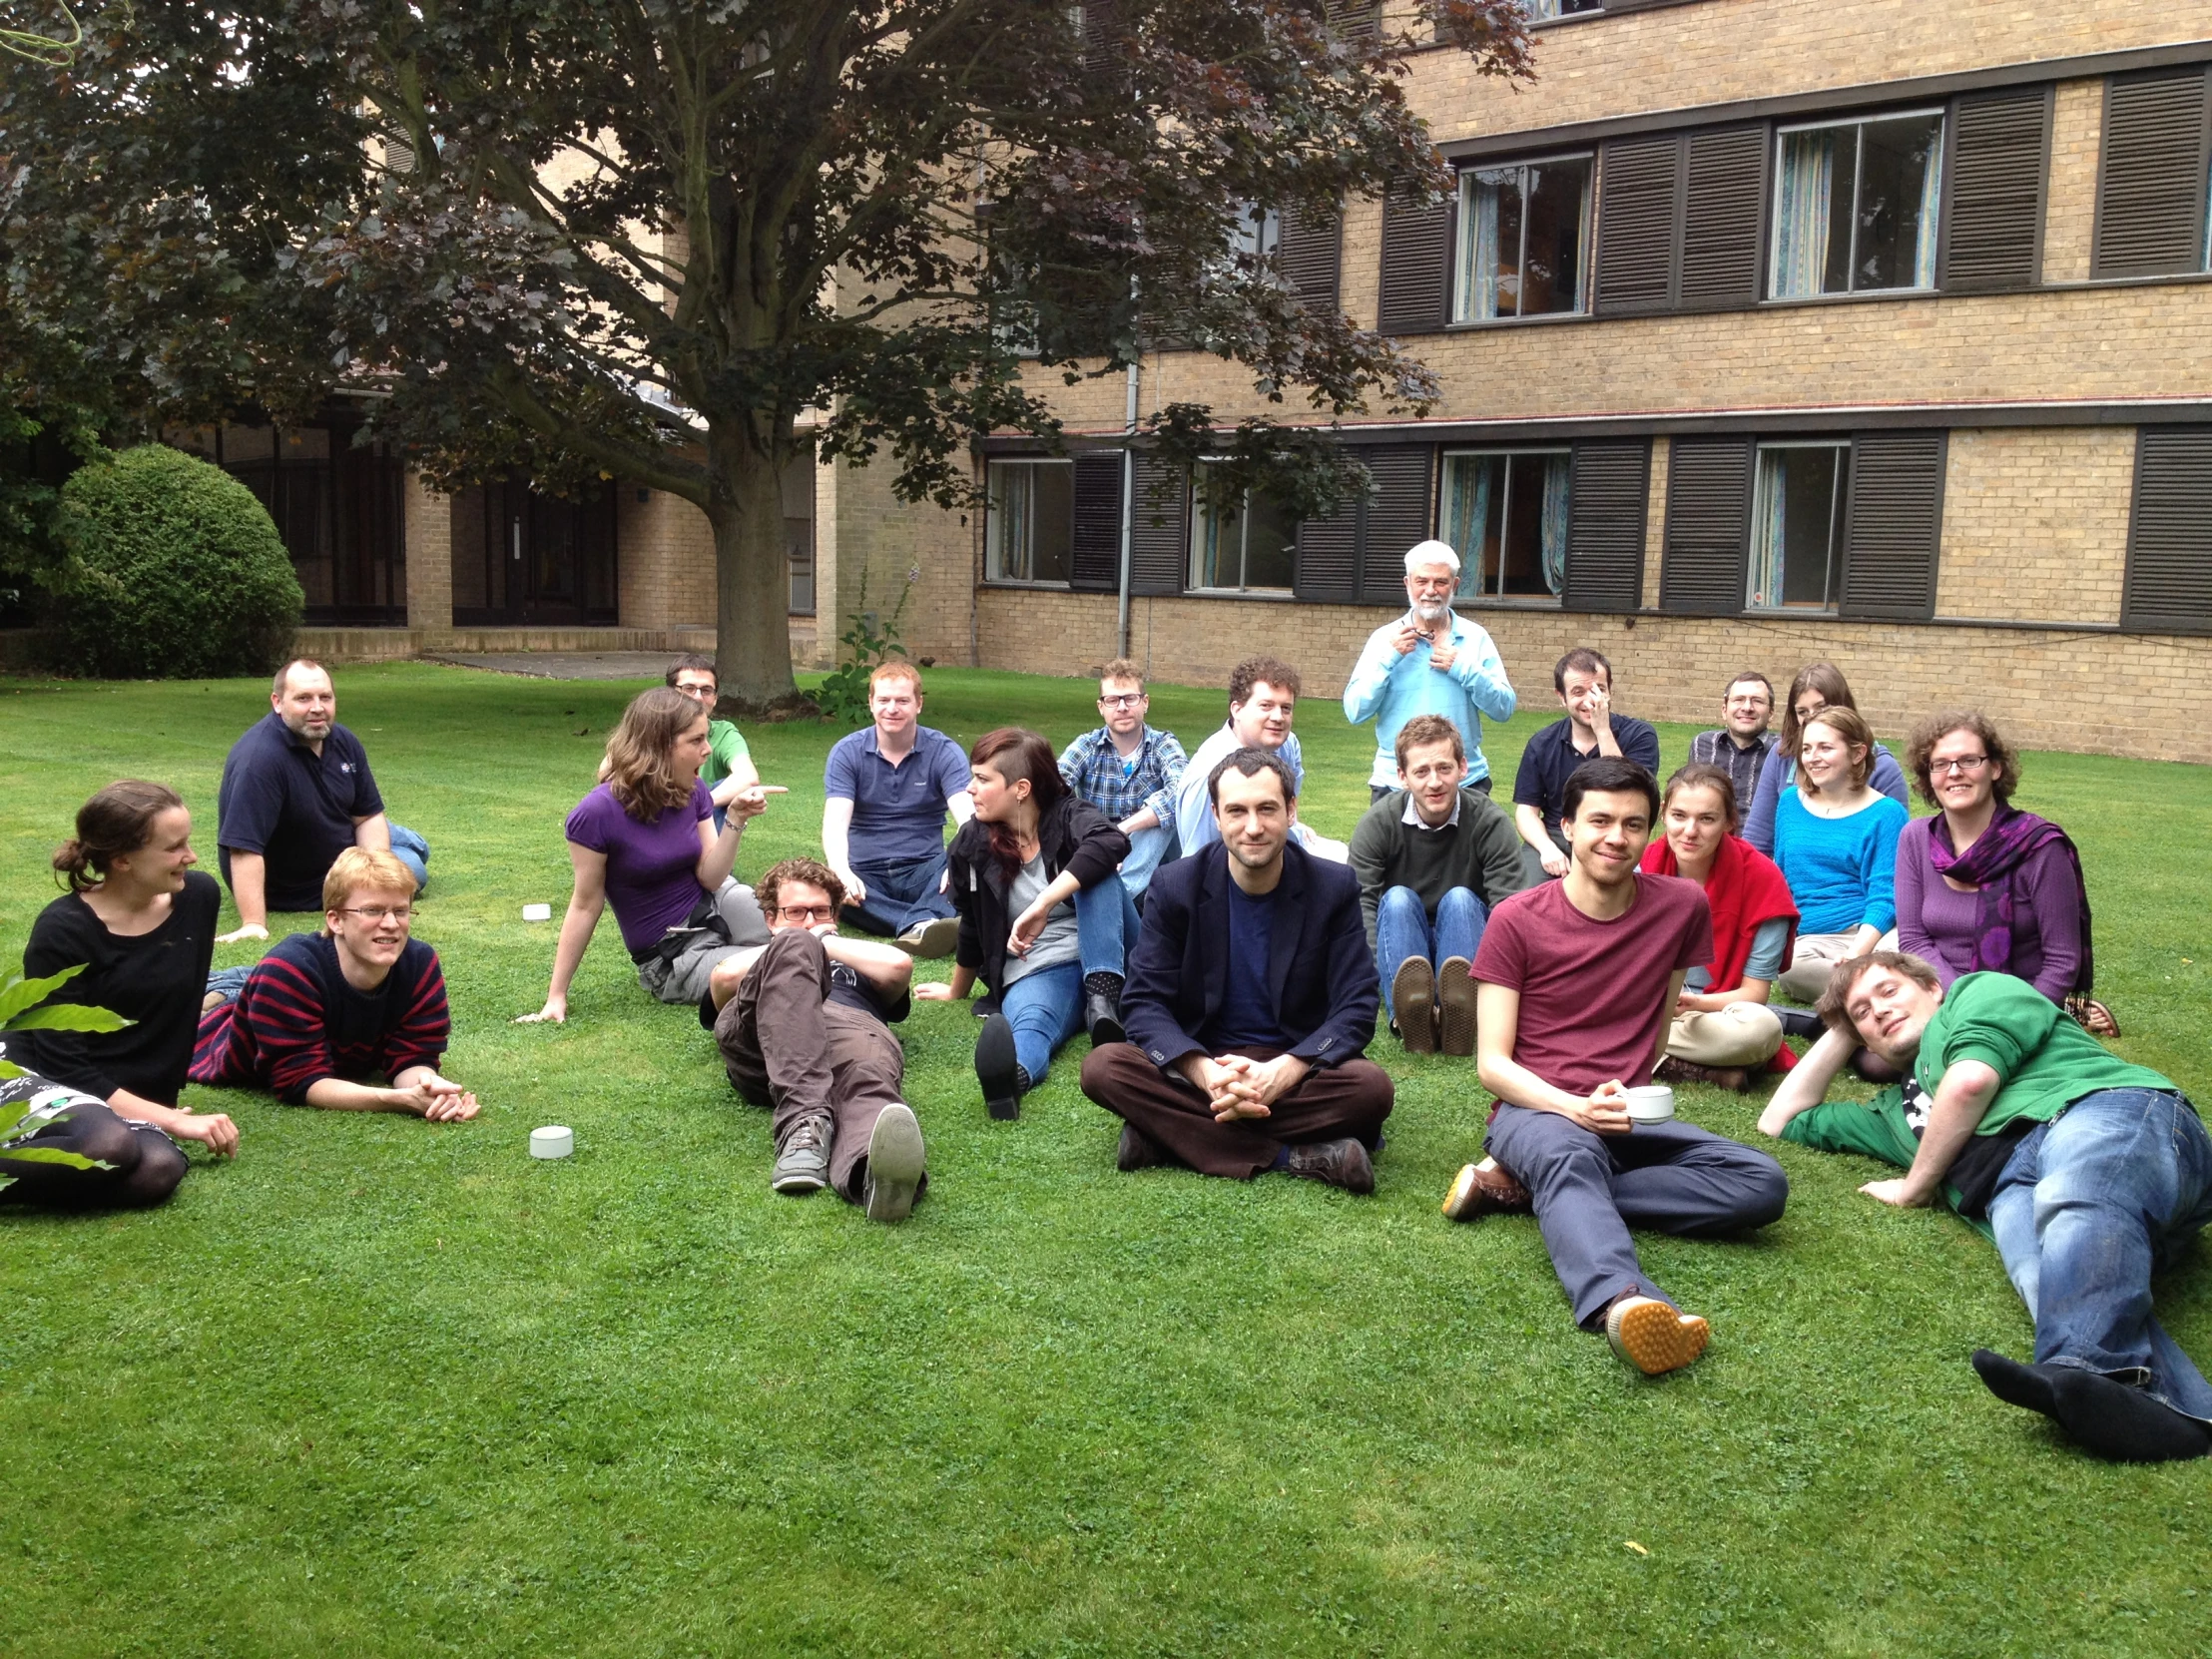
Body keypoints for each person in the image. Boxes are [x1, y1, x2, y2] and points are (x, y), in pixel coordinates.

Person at [1761, 952, 2212, 1463]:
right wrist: (1845, 1028)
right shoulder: (1891, 1114)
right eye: (1864, 1012)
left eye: (1888, 992)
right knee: (2041, 1272)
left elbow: (1972, 1080)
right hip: (2012, 1187)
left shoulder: (1979, 994)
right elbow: (1779, 1121)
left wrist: (1915, 1186)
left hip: (2102, 1111)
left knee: (2075, 1196)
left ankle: (2081, 1366)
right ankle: (2172, 1414)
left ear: (1932, 987)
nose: (1879, 1011)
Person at [1446, 757, 1789, 1377]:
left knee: (1761, 1183)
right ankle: (1624, 1301)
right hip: (1536, 1109)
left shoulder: (1680, 905)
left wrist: (1631, 1088)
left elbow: (1660, 1021)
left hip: (1627, 1113)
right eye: (1599, 820)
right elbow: (1492, 1065)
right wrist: (1573, 1106)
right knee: (1570, 1157)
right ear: (1566, 827)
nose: (1616, 837)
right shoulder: (1516, 920)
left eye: (1634, 824)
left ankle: (1534, 1193)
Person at [1081, 749, 1393, 1191]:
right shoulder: (1175, 886)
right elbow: (1144, 1002)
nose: (1252, 827)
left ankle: (1167, 1139)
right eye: (1237, 811)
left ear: (1291, 809)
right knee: (1103, 1068)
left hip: (1293, 1060)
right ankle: (1297, 1156)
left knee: (1371, 1088)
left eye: (1267, 808)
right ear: (1216, 815)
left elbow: (1357, 1005)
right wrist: (1206, 1074)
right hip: (1202, 1060)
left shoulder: (1333, 886)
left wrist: (1285, 1071)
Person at [13, 781, 240, 1163]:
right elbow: (63, 1068)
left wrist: (157, 1110)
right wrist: (172, 1120)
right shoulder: (63, 930)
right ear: (122, 860)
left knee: (160, 1167)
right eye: (173, 848)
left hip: (124, 1101)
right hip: (42, 1078)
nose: (192, 857)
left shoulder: (198, 898)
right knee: (110, 1147)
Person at [918, 729, 1135, 1120]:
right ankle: (1011, 1079)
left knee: (1097, 869)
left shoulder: (1070, 815)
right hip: (1041, 965)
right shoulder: (972, 843)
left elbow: (1111, 841)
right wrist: (956, 990)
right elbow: (971, 924)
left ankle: (1103, 998)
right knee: (1031, 1024)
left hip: (1115, 951)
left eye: (983, 779)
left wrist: (1044, 900)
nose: (969, 789)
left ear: (1020, 788)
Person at [522, 687, 775, 1021]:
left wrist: (735, 819)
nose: (707, 750)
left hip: (717, 904)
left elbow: (712, 878)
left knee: (802, 934)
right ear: (660, 746)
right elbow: (585, 904)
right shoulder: (596, 813)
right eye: (696, 740)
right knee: (780, 964)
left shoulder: (693, 788)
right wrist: (556, 996)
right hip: (673, 954)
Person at [705, 857, 926, 1222]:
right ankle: (803, 1121)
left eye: (821, 911)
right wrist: (796, 943)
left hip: (848, 1030)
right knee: (794, 948)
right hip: (764, 1039)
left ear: (835, 916)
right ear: (770, 918)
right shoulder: (761, 956)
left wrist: (824, 942)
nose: (809, 921)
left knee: (868, 1078)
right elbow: (724, 979)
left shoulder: (856, 956)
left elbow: (899, 966)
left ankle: (871, 1173)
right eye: (795, 911)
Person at [189, 848, 479, 1121]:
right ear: (336, 920)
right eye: (373, 911)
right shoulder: (288, 972)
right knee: (178, 997)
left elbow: (412, 1055)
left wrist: (431, 1089)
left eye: (400, 911)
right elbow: (301, 1081)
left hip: (279, 984)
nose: (391, 923)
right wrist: (398, 1100)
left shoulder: (419, 963)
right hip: (224, 1012)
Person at [1895, 710, 2113, 1034]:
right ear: (1929, 777)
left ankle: (2059, 1016)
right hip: (1943, 995)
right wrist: (1964, 1003)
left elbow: (2062, 960)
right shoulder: (1915, 839)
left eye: (1969, 761)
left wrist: (2012, 1021)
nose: (1954, 773)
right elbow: (1913, 941)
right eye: (1940, 764)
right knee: (1875, 1058)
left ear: (1995, 768)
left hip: (2023, 1006)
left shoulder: (2040, 847)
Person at [215, 658, 431, 942]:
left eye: (325, 697)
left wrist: (374, 875)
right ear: (277, 702)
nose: (317, 708)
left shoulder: (342, 740)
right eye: (303, 698)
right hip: (300, 882)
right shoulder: (260, 760)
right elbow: (244, 848)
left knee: (408, 845)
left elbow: (367, 815)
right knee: (414, 865)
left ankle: (403, 844)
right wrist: (253, 922)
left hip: (336, 832)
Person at [1348, 714, 1526, 1055]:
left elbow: (1510, 907)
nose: (1434, 782)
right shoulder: (1378, 822)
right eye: (1421, 772)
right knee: (1397, 899)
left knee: (1460, 899)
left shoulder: (1489, 821)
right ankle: (1409, 1015)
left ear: (1462, 767)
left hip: (1463, 937)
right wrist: (1373, 970)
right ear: (1402, 777)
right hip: (1403, 940)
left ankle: (1460, 1013)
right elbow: (1360, 905)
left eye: (1444, 768)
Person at [1638, 763, 1796, 1091]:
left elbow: (1754, 995)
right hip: (1646, 1004)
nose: (1690, 831)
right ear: (1663, 814)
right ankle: (1691, 1065)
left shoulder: (1762, 881)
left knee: (1761, 1030)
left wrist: (1692, 1004)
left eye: (1707, 819)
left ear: (1729, 821)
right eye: (1679, 816)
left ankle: (1628, 1047)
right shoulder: (1641, 868)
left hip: (1717, 1013)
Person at [1341, 539, 1516, 801]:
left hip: (1465, 781)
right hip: (1396, 783)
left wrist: (1465, 668)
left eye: (1440, 582)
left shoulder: (1475, 638)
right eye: (1422, 581)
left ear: (1455, 585)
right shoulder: (1384, 640)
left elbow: (1504, 709)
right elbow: (1355, 711)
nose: (1430, 591)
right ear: (1407, 584)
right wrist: (1389, 658)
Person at [822, 661, 974, 954]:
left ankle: (911, 917)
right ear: (870, 703)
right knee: (826, 884)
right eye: (884, 700)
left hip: (925, 869)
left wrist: (959, 862)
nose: (892, 708)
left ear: (919, 704)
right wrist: (841, 870)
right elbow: (835, 824)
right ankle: (923, 921)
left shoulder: (944, 751)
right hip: (864, 874)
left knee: (969, 861)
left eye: (902, 700)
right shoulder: (847, 752)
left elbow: (970, 820)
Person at [1768, 706, 1908, 1005]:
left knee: (1897, 955)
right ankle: (1884, 994)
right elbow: (1780, 879)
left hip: (1872, 934)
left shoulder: (1886, 814)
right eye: (1806, 748)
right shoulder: (1790, 803)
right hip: (1810, 941)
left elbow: (1885, 896)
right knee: (1792, 970)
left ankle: (1859, 991)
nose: (1812, 757)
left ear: (1858, 754)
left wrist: (1857, 953)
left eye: (1825, 748)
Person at [1511, 649, 1661, 887]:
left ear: (1610, 691)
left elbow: (1629, 790)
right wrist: (1547, 849)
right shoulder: (1542, 743)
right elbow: (1526, 811)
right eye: (1578, 692)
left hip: (1615, 832)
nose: (1590, 700)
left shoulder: (1640, 735)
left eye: (1599, 689)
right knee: (1524, 901)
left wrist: (1602, 730)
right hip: (1557, 835)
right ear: (1561, 697)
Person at [1742, 662, 1909, 854]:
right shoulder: (1782, 756)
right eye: (1802, 712)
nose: (1812, 718)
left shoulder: (1883, 767)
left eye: (1822, 708)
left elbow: (1894, 855)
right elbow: (1757, 841)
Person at [1057, 658, 1187, 902]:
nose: (1122, 707)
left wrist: (1121, 831)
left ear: (1145, 702)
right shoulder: (1086, 745)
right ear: (1101, 707)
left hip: (1154, 853)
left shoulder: (1164, 744)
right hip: (1097, 844)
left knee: (1163, 818)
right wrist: (1099, 842)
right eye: (1113, 700)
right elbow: (1053, 787)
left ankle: (1113, 896)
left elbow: (1180, 791)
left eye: (1130, 698)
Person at [666, 653, 760, 830]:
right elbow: (609, 771)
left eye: (706, 690)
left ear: (715, 698)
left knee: (724, 787)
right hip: (652, 818)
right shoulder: (652, 725)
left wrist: (698, 806)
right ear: (670, 693)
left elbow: (748, 777)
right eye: (689, 688)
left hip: (699, 823)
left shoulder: (723, 733)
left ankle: (710, 856)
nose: (698, 697)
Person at [1686, 670, 1778, 819]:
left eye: (1757, 701)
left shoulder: (1783, 752)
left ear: (1771, 713)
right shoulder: (1702, 744)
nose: (1747, 708)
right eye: (1739, 700)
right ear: (1724, 710)